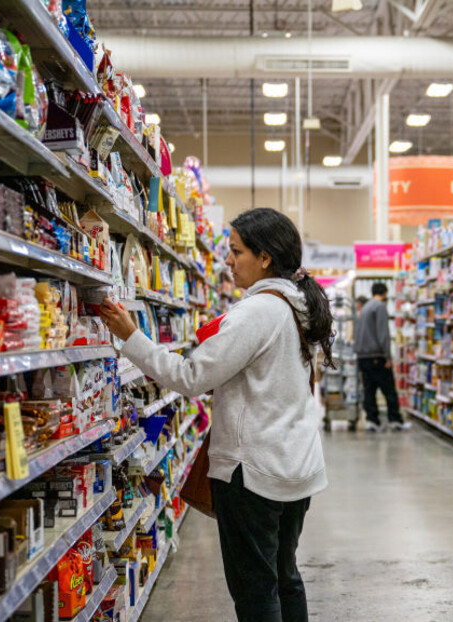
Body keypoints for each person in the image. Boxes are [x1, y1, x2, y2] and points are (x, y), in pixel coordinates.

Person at [98, 208, 332, 622]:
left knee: (256, 589)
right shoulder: (300, 306)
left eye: (236, 251)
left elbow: (190, 377)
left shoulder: (259, 310)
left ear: (265, 258)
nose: (228, 261)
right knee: (285, 577)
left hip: (255, 472)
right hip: (296, 464)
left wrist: (131, 337)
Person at [353, 282, 407, 432]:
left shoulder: (365, 308)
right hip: (376, 356)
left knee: (369, 390)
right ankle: (395, 420)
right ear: (384, 293)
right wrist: (388, 357)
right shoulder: (380, 306)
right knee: (389, 389)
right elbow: (383, 334)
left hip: (363, 356)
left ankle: (372, 421)